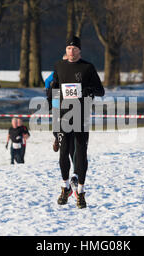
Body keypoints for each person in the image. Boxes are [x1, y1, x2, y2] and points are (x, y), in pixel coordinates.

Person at [49, 35, 105, 209]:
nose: (71, 51)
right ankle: (65, 187)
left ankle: (80, 192)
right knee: (63, 151)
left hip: (81, 115)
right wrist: (54, 107)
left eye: (74, 49)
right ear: (65, 50)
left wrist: (87, 90)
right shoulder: (59, 66)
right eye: (68, 49)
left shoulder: (88, 67)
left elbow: (100, 91)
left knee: (80, 152)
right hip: (63, 115)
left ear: (79, 50)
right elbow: (55, 89)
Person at [45, 53, 68, 152]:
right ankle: (57, 138)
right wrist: (48, 92)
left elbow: (47, 81)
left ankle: (62, 138)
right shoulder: (57, 70)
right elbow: (47, 81)